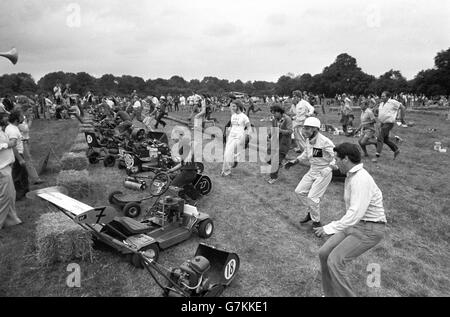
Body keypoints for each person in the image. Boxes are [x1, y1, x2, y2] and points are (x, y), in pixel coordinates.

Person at [313, 143, 387, 297]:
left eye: (336, 159)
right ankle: (330, 294)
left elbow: (355, 214)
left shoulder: (361, 179)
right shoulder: (352, 173)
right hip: (355, 225)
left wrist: (328, 228)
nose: (335, 162)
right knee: (324, 253)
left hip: (369, 229)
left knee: (335, 261)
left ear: (345, 159)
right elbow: (354, 218)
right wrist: (328, 168)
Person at [284, 117, 336, 228]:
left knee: (313, 198)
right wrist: (295, 161)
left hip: (324, 172)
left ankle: (316, 223)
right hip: (313, 170)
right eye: (304, 128)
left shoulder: (325, 142)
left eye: (307, 129)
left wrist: (330, 167)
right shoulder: (308, 140)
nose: (304, 131)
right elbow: (306, 154)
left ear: (315, 130)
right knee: (299, 191)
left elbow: (336, 157)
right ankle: (311, 212)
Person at [0, 112, 22, 229]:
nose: (6, 119)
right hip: (1, 168)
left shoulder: (1, 130)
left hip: (6, 167)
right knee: (5, 197)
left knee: (10, 194)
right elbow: (4, 145)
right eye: (4, 117)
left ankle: (11, 220)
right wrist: (7, 145)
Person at [372, 91, 405, 163]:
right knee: (386, 140)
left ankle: (377, 156)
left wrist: (401, 118)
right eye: (381, 96)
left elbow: (402, 107)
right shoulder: (381, 103)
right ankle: (396, 150)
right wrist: (376, 111)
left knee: (380, 137)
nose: (381, 97)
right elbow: (378, 112)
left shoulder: (393, 102)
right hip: (382, 123)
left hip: (389, 123)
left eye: (383, 96)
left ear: (388, 97)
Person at [221, 100, 251, 177]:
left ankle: (226, 171)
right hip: (231, 136)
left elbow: (249, 128)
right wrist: (227, 134)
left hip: (239, 137)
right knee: (227, 154)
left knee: (228, 154)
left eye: (234, 106)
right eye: (232, 106)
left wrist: (246, 137)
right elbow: (231, 126)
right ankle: (231, 165)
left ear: (238, 106)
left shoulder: (244, 117)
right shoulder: (233, 116)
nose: (232, 108)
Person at [5, 110, 29, 200]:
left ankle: (24, 192)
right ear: (16, 119)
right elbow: (13, 146)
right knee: (18, 175)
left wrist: (22, 140)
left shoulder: (12, 127)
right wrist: (20, 159)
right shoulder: (12, 130)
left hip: (17, 154)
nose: (23, 117)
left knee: (23, 174)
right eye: (21, 116)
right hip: (17, 154)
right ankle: (19, 195)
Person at [266, 105, 292, 184]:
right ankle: (280, 163)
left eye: (274, 113)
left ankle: (273, 177)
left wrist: (280, 130)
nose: (273, 115)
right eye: (272, 114)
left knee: (275, 161)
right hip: (275, 142)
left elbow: (290, 131)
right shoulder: (274, 120)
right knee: (269, 159)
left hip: (284, 143)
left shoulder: (287, 119)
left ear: (279, 112)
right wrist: (269, 135)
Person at [18, 106, 44, 185]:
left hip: (25, 140)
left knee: (26, 160)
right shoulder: (21, 120)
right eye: (29, 110)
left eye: (31, 110)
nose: (31, 112)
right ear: (24, 111)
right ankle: (35, 178)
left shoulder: (24, 118)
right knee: (28, 160)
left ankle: (24, 178)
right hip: (22, 142)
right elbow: (26, 129)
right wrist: (30, 120)